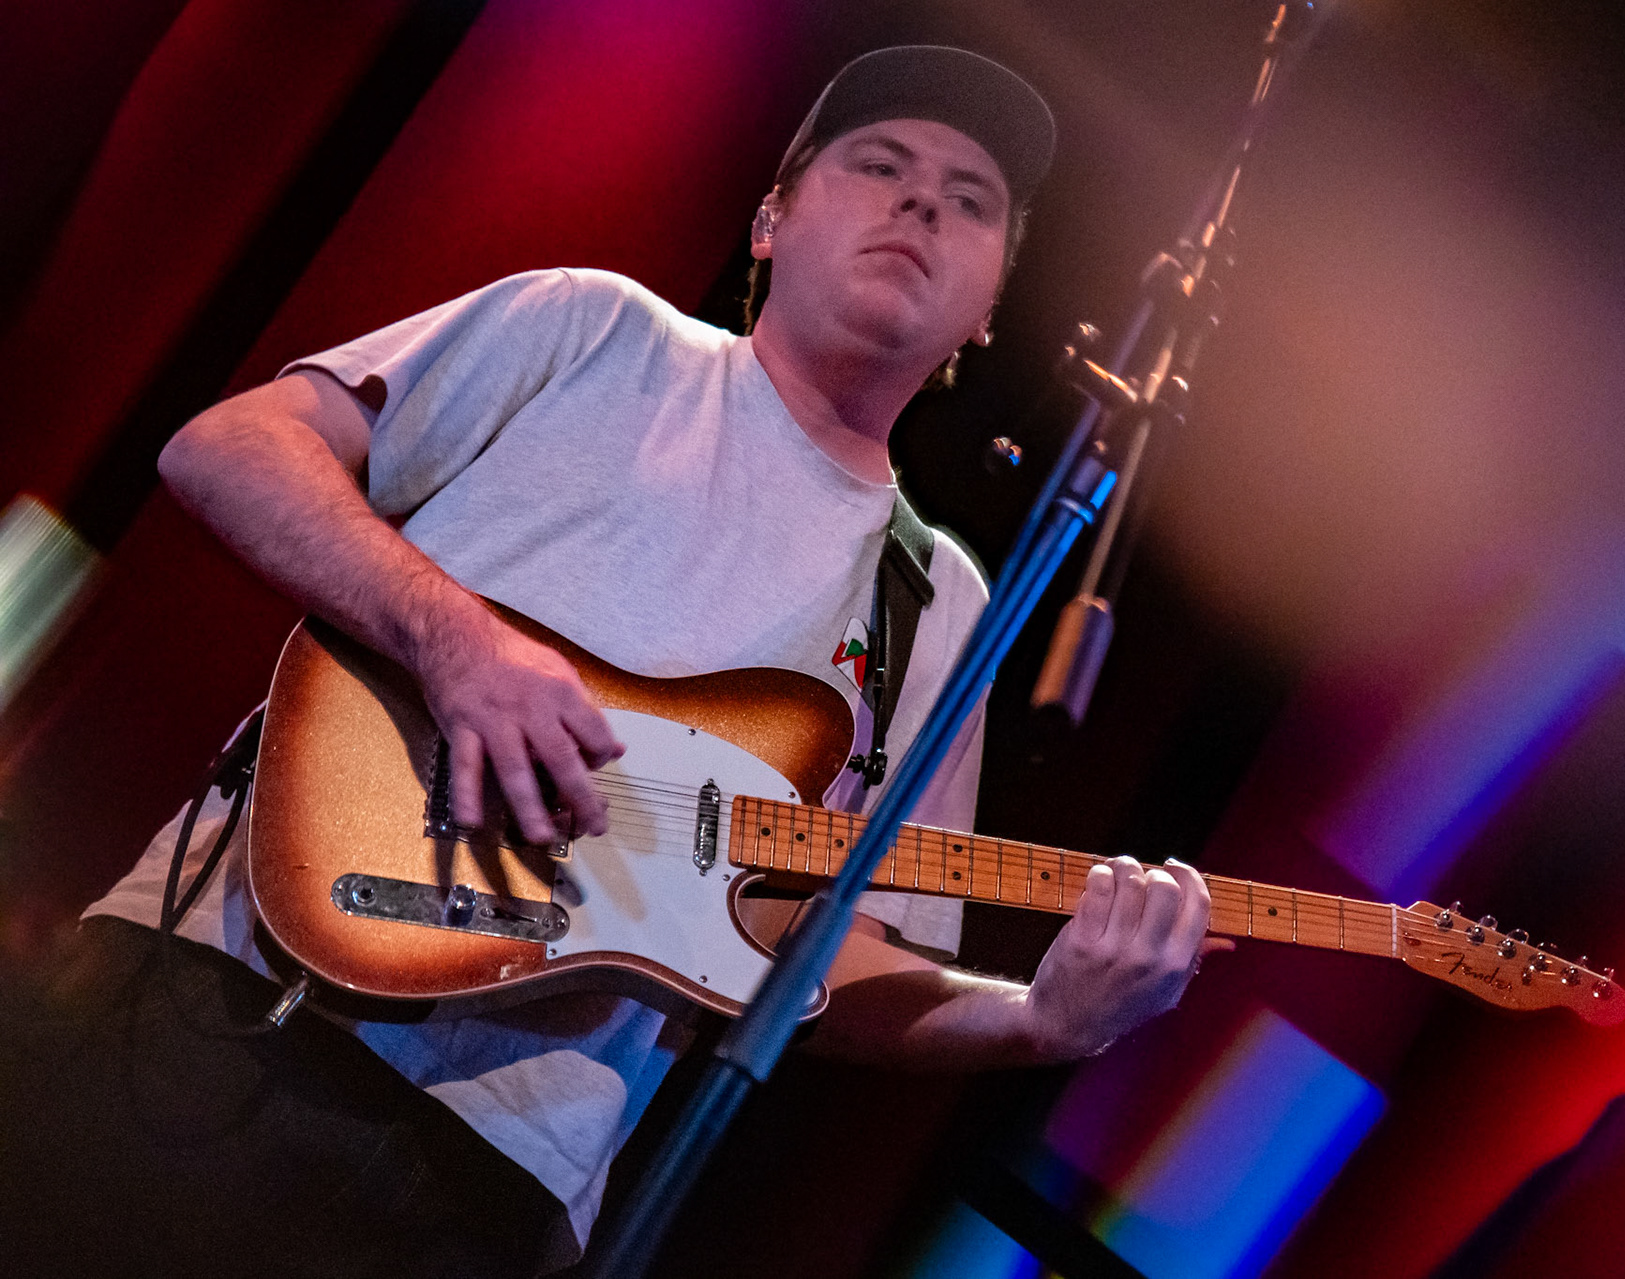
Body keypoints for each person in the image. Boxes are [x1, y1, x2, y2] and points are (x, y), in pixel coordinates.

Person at [0, 46, 1218, 1277]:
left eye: (972, 200)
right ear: (770, 216)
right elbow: (227, 448)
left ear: (993, 302)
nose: (921, 203)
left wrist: (1043, 1022)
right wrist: (453, 637)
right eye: (880, 164)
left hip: (479, 1186)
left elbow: (833, 960)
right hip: (211, 1006)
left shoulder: (942, 602)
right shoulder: (594, 329)